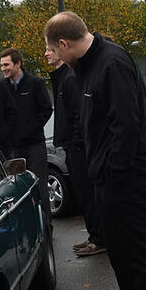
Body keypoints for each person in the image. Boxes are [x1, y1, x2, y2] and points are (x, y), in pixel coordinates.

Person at [45, 11, 146, 290]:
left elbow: (126, 126)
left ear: (64, 43)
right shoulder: (85, 67)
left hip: (126, 177)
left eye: (54, 49)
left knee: (139, 253)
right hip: (105, 177)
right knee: (119, 252)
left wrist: (113, 174)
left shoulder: (111, 63)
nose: (54, 56)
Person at [46, 43, 105, 257]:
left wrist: (76, 142)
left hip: (77, 147)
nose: (46, 54)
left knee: (87, 195)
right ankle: (94, 235)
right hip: (72, 145)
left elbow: (79, 114)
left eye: (50, 50)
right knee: (82, 195)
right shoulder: (62, 78)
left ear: (60, 50)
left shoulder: (69, 78)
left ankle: (99, 239)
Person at [0, 48, 53, 220]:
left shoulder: (35, 83)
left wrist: (29, 131)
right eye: (1, 65)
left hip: (35, 145)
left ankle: (46, 226)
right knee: (18, 190)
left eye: (6, 65)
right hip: (14, 149)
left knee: (40, 187)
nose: (3, 68)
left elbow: (46, 110)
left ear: (18, 64)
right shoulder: (2, 87)